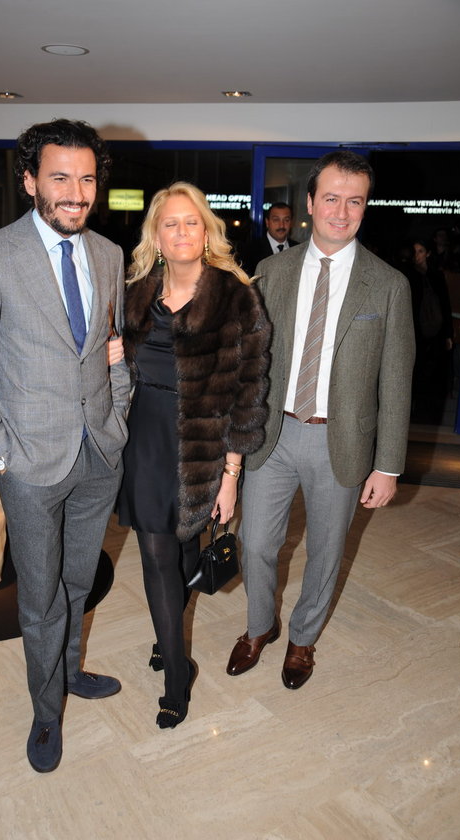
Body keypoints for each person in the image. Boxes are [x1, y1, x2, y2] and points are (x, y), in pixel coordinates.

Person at [0, 118, 130, 773]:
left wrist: (118, 411)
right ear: (29, 182)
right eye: (60, 177)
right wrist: (0, 451)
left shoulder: (109, 254)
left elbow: (111, 345)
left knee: (79, 580)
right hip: (28, 463)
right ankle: (46, 711)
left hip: (98, 452)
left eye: (86, 179)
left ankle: (69, 670)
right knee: (41, 596)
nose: (76, 193)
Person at [227, 150, 415, 690]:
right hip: (273, 434)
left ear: (365, 207)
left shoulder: (388, 285)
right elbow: (249, 361)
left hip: (342, 441)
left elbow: (396, 381)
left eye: (354, 201)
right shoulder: (271, 272)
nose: (341, 211)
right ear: (309, 203)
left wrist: (389, 466)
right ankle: (259, 626)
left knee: (326, 552)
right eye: (331, 198)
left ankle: (303, 639)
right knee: (255, 544)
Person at [119, 182, 271, 728]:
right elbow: (120, 361)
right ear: (156, 237)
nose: (181, 232)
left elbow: (249, 392)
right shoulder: (136, 291)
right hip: (146, 438)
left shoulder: (236, 296)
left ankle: (168, 632)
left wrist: (231, 474)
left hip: (204, 446)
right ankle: (176, 672)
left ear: (206, 232)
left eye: (191, 222)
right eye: (170, 224)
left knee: (185, 549)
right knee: (156, 553)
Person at [405, 239, 453, 423]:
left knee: (431, 373)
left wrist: (448, 334)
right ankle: (412, 411)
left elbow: (445, 305)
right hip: (414, 332)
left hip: (434, 333)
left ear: (428, 254)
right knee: (413, 372)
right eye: (414, 251)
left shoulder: (436, 276)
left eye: (421, 251)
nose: (417, 255)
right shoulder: (407, 275)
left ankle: (424, 413)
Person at [240, 202, 299, 275]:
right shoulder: (250, 250)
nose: (281, 225)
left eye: (286, 220)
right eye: (276, 220)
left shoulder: (299, 249)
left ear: (291, 223)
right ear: (267, 222)